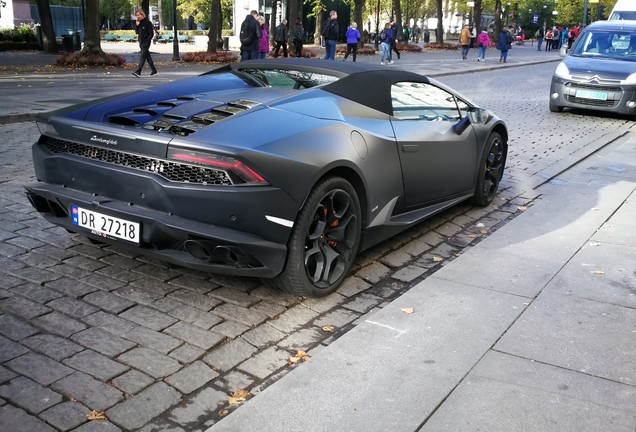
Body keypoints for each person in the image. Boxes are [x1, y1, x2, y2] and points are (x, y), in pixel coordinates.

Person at [132, 9, 157, 77]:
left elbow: (151, 33)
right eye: (137, 15)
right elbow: (137, 32)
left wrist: (148, 40)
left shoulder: (148, 22)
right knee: (147, 57)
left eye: (139, 15)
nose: (138, 17)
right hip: (141, 42)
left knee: (142, 56)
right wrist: (137, 25)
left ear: (142, 15)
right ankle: (154, 70)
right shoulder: (139, 22)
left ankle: (138, 71)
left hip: (146, 42)